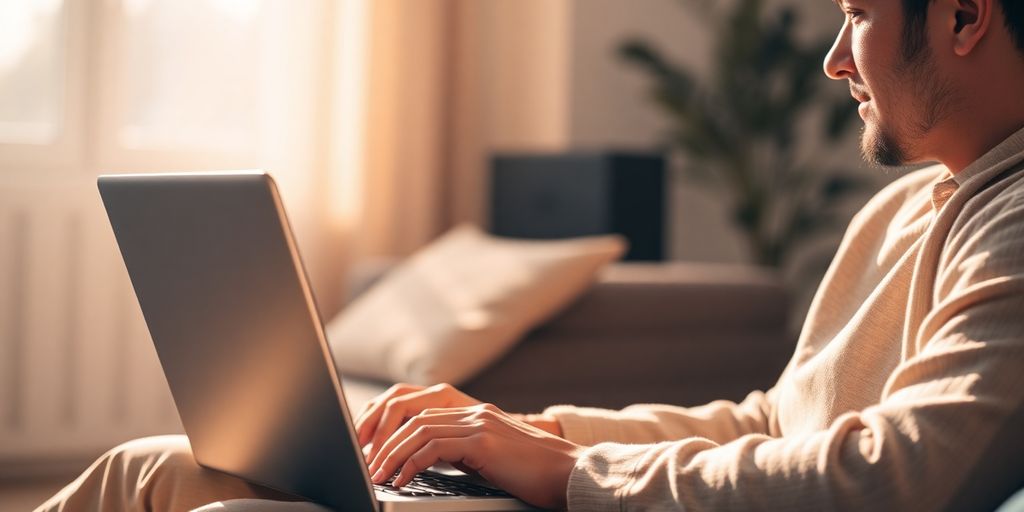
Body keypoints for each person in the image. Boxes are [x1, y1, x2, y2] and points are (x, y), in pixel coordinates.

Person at [39, 0, 1024, 510]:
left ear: (964, 15)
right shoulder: (903, 211)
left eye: (855, 12)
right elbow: (771, 417)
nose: (832, 58)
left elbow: (899, 477)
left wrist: (571, 478)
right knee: (153, 465)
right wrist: (517, 433)